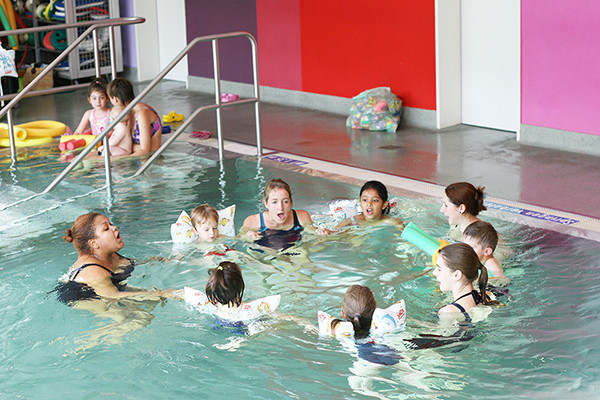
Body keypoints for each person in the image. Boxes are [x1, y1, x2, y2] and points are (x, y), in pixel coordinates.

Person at [56, 212, 176, 304]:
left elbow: (129, 265)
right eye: (106, 228)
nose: (114, 228)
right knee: (138, 319)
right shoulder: (93, 272)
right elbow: (112, 296)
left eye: (111, 224)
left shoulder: (111, 255)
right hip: (82, 296)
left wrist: (159, 260)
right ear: (93, 243)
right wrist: (162, 293)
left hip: (107, 286)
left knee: (151, 302)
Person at [242, 178, 322, 250]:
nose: (280, 207)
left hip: (295, 250)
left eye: (285, 201)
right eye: (274, 202)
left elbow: (314, 236)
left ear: (291, 202)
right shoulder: (253, 222)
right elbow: (239, 239)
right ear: (266, 203)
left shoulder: (301, 217)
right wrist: (248, 236)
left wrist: (324, 234)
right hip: (264, 254)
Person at [433, 243, 498, 318]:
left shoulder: (449, 312)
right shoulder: (487, 295)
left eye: (439, 269)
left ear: (456, 275)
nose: (434, 273)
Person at [106, 77, 162, 156]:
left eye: (110, 99)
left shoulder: (142, 114)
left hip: (151, 160)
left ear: (115, 99)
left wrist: (115, 159)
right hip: (133, 156)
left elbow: (145, 151)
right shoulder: (126, 113)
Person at [336, 180, 403, 229]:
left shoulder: (391, 222)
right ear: (360, 203)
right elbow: (335, 232)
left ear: (384, 205)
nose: (369, 204)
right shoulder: (353, 221)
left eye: (375, 200)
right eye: (365, 200)